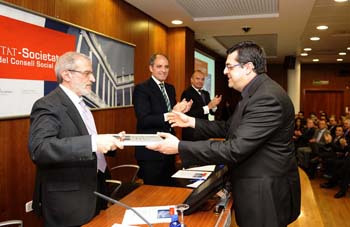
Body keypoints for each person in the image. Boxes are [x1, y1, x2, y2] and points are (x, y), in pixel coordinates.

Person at [147, 41, 301, 227]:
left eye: (229, 66)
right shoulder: (255, 93)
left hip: (264, 194)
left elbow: (234, 148)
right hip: (256, 187)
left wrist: (179, 147)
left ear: (248, 68)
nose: (224, 72)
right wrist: (191, 121)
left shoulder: (266, 98)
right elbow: (229, 128)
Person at [28, 52, 125, 227]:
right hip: (68, 202)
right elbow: (40, 148)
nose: (93, 79)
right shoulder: (48, 104)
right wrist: (94, 143)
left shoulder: (81, 104)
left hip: (93, 190)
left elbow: (81, 139)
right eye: (87, 73)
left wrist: (110, 142)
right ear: (66, 75)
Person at [132, 53, 191, 186]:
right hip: (151, 152)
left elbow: (171, 115)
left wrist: (181, 111)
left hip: (169, 149)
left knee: (169, 189)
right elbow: (144, 120)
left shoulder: (170, 88)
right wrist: (171, 113)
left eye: (166, 67)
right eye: (159, 66)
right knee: (153, 193)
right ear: (151, 68)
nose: (163, 70)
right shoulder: (142, 89)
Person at [180, 70, 222, 140]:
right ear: (191, 80)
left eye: (202, 79)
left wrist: (214, 105)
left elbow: (212, 113)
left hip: (205, 131)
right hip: (192, 133)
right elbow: (189, 114)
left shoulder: (206, 93)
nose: (200, 81)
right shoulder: (187, 93)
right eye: (197, 79)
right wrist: (208, 107)